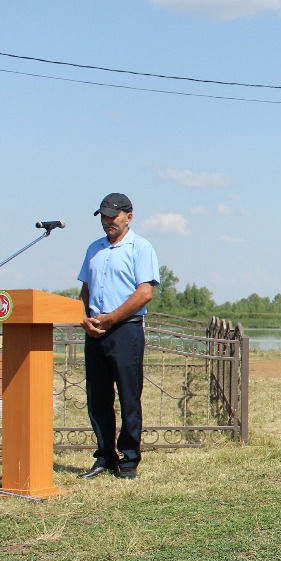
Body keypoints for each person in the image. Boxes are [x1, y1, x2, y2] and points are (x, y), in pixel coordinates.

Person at [77, 193, 160, 480]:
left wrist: (113, 318)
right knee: (98, 397)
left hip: (126, 329)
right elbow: (85, 289)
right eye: (103, 216)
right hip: (96, 330)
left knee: (128, 396)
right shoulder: (94, 249)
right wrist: (85, 317)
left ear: (129, 216)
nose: (107, 222)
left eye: (113, 216)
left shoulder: (141, 247)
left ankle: (128, 459)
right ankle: (104, 456)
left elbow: (145, 292)